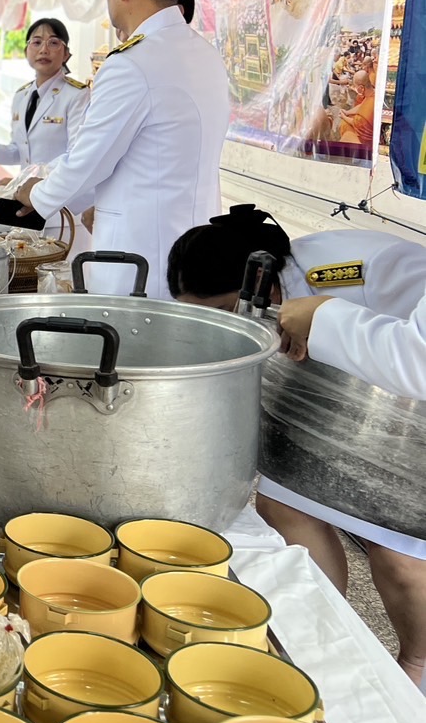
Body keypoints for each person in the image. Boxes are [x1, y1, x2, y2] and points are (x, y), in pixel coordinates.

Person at [168, 205, 426, 684]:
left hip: (411, 426)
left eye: (228, 311)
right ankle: (325, 634)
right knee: (286, 500)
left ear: (263, 280)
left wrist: (325, 320)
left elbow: (415, 357)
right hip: (347, 414)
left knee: (399, 554)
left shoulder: (360, 269)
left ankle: (417, 660)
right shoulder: (277, 282)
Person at [14, 0, 228, 299]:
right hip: (196, 250)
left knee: (135, 351)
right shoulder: (204, 54)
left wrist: (38, 194)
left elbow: (90, 160)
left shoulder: (131, 63)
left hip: (140, 258)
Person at [0, 18, 90, 174]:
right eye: (37, 42)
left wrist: (30, 178)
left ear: (66, 54)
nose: (44, 50)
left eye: (53, 43)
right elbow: (21, 151)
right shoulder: (21, 96)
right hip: (28, 192)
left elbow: (77, 153)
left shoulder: (77, 95)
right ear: (26, 51)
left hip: (60, 191)